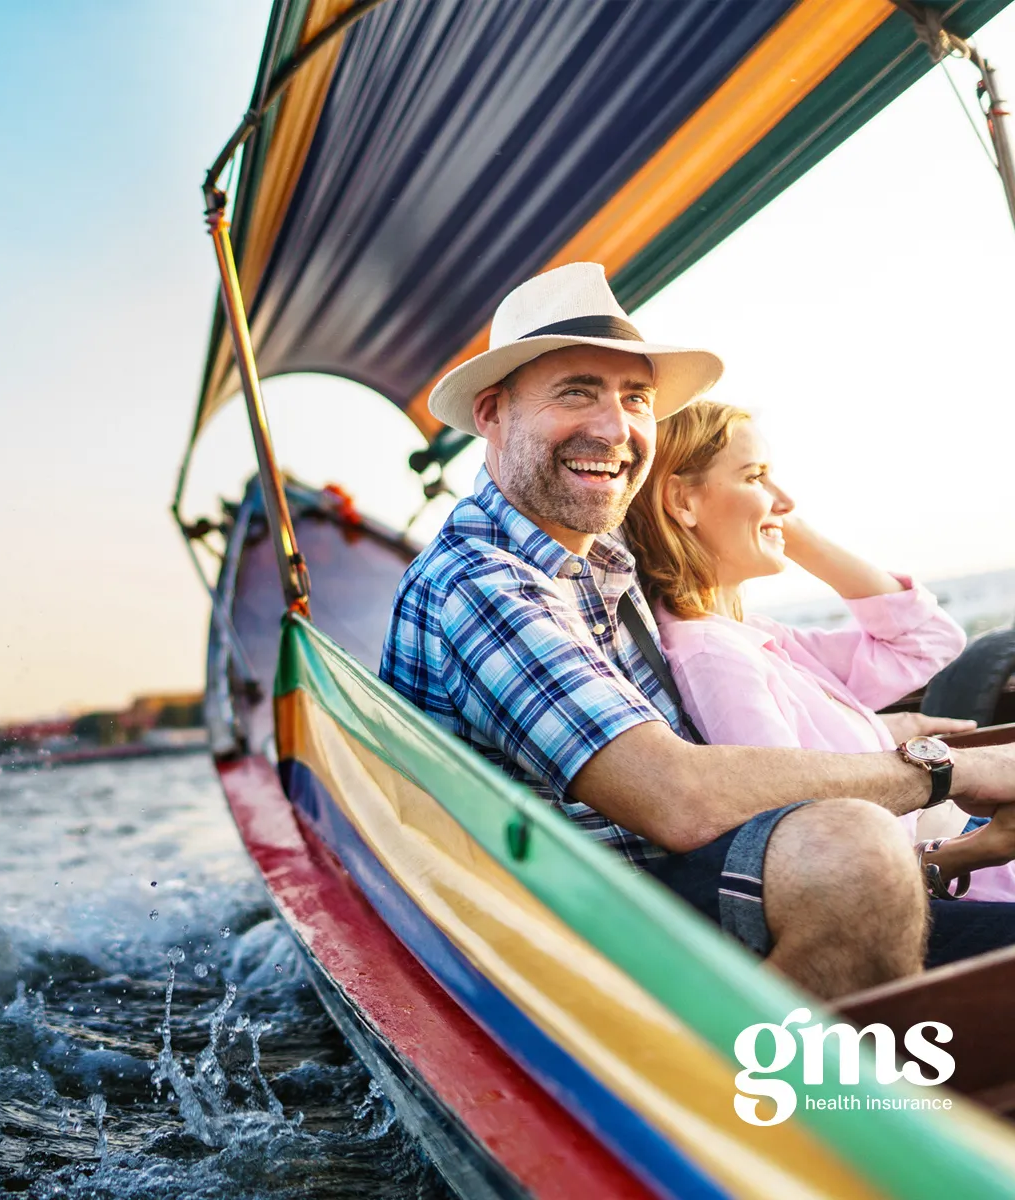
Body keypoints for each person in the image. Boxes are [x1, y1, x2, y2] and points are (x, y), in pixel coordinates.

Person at [380, 261, 1015, 1000]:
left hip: (675, 888)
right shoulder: (480, 583)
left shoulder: (607, 560)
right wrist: (946, 770)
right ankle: (768, 1105)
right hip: (570, 938)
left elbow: (896, 644)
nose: (614, 427)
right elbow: (675, 795)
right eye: (577, 392)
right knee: (851, 848)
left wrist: (892, 724)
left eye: (636, 399)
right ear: (492, 414)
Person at [622, 399, 1015, 906]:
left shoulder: (757, 638)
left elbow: (928, 642)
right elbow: (813, 835)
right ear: (682, 501)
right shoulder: (713, 656)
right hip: (948, 883)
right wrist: (978, 848)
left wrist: (785, 528)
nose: (785, 498)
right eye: (755, 476)